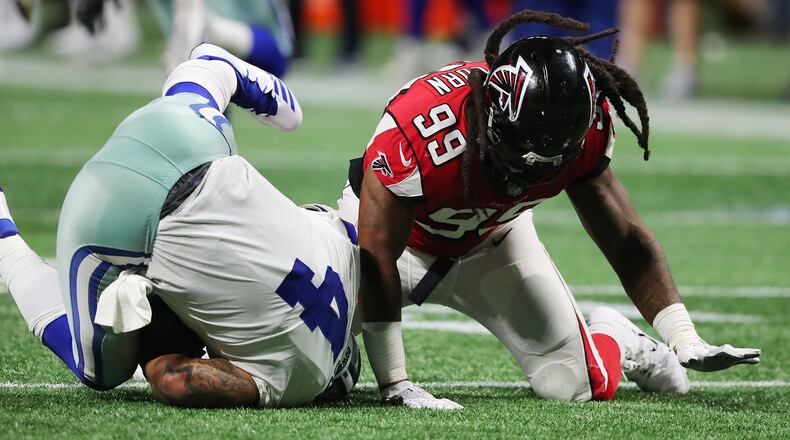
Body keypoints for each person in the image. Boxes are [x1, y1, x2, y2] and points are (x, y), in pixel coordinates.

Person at [338, 10, 761, 409]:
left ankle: (614, 334)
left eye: (551, 160)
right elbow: (377, 258)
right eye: (524, 154)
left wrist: (682, 336)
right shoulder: (420, 128)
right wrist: (394, 382)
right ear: (494, 115)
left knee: (573, 384)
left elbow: (625, 239)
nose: (531, 175)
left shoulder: (583, 127)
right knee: (302, 337)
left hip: (494, 240)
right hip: (396, 242)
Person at [0, 43, 360, 408]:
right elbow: (179, 381)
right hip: (110, 217)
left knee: (208, 110)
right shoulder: (296, 381)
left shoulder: (345, 255)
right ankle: (4, 240)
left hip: (193, 136)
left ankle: (211, 71)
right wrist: (158, 347)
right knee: (99, 372)